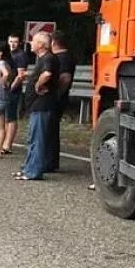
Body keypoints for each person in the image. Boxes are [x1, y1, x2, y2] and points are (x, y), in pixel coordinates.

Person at [15, 31, 60, 181]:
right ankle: (29, 167)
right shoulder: (42, 58)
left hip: (42, 105)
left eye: (33, 41)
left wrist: (38, 85)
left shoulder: (48, 58)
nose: (30, 43)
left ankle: (34, 171)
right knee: (33, 138)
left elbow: (47, 74)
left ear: (41, 45)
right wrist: (31, 76)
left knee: (38, 139)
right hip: (36, 105)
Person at [46, 30, 76, 172]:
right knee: (51, 129)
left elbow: (65, 78)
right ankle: (50, 161)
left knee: (50, 130)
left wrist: (56, 94)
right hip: (58, 98)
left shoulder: (62, 58)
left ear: (53, 42)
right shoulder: (65, 57)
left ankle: (50, 161)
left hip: (56, 99)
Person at [1, 33, 30, 154]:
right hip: (5, 88)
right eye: (11, 41)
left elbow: (20, 75)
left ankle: (8, 145)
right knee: (5, 116)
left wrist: (12, 87)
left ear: (20, 43)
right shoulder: (8, 54)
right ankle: (3, 143)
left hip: (13, 89)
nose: (12, 44)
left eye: (15, 42)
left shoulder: (21, 55)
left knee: (11, 117)